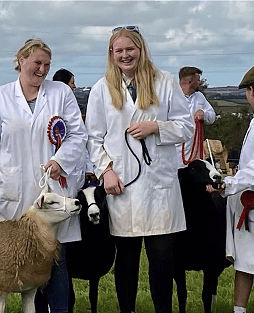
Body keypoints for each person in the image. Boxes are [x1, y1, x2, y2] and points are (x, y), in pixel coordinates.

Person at [0, 38, 88, 313]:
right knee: (14, 261)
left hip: (54, 190)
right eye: (37, 63)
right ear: (21, 60)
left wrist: (60, 160)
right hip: (15, 190)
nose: (43, 70)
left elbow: (77, 135)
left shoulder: (61, 93)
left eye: (47, 64)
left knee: (56, 263)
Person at [86, 26, 193, 313]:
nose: (125, 55)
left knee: (161, 260)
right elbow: (94, 137)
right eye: (118, 50)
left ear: (140, 49)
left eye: (129, 49)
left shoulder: (166, 82)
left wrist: (156, 127)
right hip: (123, 186)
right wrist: (105, 171)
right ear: (111, 53)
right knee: (127, 260)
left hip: (159, 187)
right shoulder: (101, 88)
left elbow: (187, 127)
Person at [207, 63, 254, 313]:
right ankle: (239, 310)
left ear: (251, 90)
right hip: (251, 205)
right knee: (245, 263)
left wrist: (226, 183)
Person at [177, 66, 216, 166]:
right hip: (176, 152)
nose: (199, 82)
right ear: (190, 81)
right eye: (197, 80)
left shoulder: (200, 96)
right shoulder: (173, 96)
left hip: (195, 151)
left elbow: (212, 117)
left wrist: (204, 114)